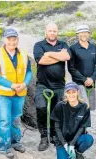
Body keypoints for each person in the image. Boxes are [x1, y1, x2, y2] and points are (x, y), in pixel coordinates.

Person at [0, 28, 32, 159]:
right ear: (4, 40)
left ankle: (15, 142)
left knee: (15, 119)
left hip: (19, 93)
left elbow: (29, 72)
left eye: (14, 39)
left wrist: (25, 83)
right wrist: (11, 85)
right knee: (4, 120)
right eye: (9, 39)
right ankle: (2, 146)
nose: (11, 41)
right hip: (2, 94)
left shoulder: (24, 55)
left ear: (17, 40)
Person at [33, 23, 72, 151]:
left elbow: (66, 56)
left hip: (59, 84)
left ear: (57, 32)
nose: (52, 33)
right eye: (50, 31)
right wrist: (58, 56)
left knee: (59, 111)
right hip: (42, 84)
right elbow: (41, 61)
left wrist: (49, 54)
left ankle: (55, 135)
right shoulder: (39, 45)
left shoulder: (63, 44)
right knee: (41, 107)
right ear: (46, 32)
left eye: (54, 31)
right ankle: (44, 137)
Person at [50, 82, 93, 159]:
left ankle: (78, 153)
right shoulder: (60, 106)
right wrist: (65, 144)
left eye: (73, 92)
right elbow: (57, 128)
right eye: (68, 92)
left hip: (76, 138)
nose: (71, 95)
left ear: (77, 92)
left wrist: (72, 144)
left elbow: (82, 127)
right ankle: (65, 151)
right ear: (65, 93)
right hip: (62, 140)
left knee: (89, 139)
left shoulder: (84, 106)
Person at [68, 24, 96, 111]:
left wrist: (92, 79)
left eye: (85, 32)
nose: (84, 34)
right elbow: (71, 68)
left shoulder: (94, 48)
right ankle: (82, 125)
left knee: (91, 108)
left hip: (92, 83)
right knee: (82, 106)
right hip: (79, 84)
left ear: (89, 34)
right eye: (81, 32)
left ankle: (89, 124)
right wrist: (84, 79)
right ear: (77, 34)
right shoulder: (73, 49)